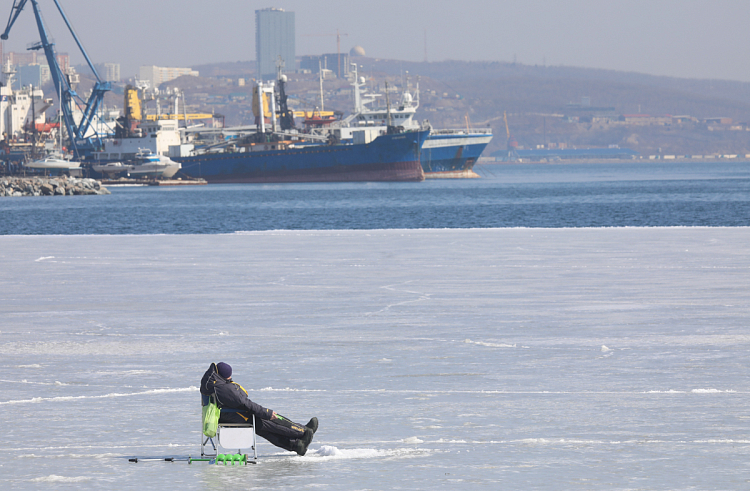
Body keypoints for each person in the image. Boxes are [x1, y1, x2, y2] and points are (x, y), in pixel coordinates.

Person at [200, 362, 318, 456]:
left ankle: (297, 445)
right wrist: (267, 413)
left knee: (263, 429)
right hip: (233, 416)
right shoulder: (223, 388)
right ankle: (303, 431)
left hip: (226, 415)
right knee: (270, 419)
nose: (231, 378)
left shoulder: (212, 383)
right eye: (229, 377)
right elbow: (244, 402)